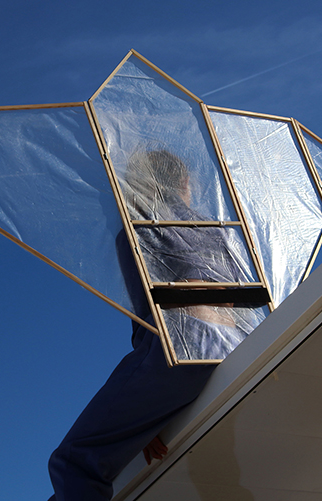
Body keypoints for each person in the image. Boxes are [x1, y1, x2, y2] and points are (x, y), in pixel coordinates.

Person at [47, 149, 257, 500]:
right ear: (185, 182)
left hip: (186, 342)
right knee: (215, 470)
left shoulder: (139, 226)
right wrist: (148, 413)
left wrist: (147, 403)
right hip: (238, 342)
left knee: (75, 461)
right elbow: (239, 300)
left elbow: (149, 314)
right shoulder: (219, 232)